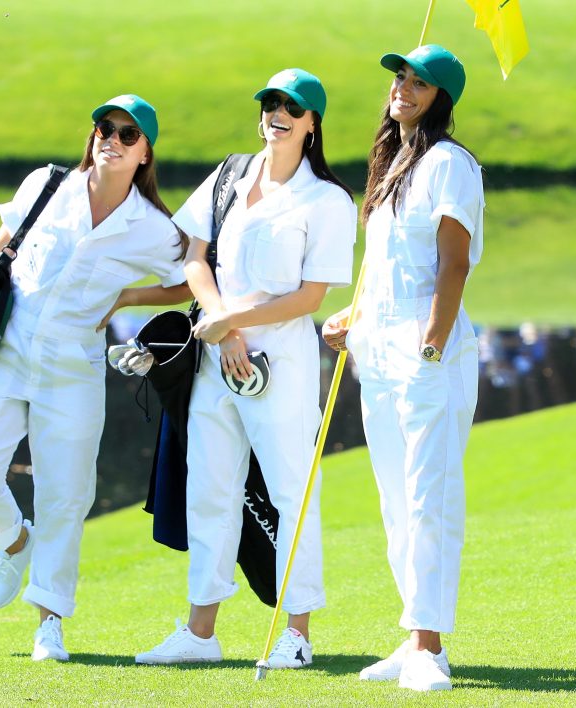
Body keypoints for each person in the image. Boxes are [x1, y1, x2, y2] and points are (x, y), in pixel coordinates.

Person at [0, 94, 190, 661]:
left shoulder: (153, 227)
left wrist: (127, 297)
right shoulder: (48, 184)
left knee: (65, 497)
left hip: (72, 371)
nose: (111, 139)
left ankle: (50, 624)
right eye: (104, 128)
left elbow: (189, 277)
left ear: (145, 154)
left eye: (127, 134)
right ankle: (13, 541)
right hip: (6, 355)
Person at [134, 69, 356, 668]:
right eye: (270, 104)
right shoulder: (231, 173)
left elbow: (311, 297)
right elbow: (196, 260)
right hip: (215, 358)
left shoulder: (327, 200)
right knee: (210, 490)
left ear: (312, 124)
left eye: (292, 107)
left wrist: (232, 320)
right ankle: (200, 633)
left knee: (292, 495)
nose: (277, 114)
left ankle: (298, 636)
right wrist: (223, 324)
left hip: (280, 366)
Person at [322, 45, 484, 692]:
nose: (405, 90)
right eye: (401, 78)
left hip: (426, 344)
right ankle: (412, 633)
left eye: (421, 84)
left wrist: (433, 341)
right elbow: (380, 265)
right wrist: (352, 317)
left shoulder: (450, 163)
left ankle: (430, 646)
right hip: (379, 342)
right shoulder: (393, 164)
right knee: (394, 495)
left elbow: (453, 263)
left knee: (429, 495)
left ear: (442, 98)